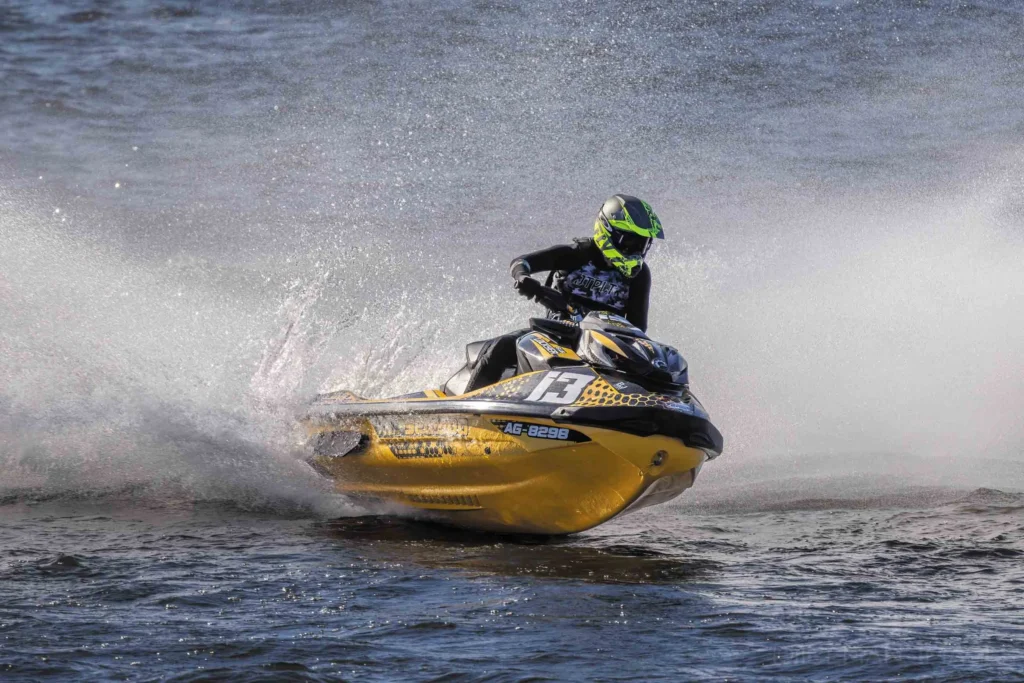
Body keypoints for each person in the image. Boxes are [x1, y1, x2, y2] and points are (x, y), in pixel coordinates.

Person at [463, 194, 664, 392]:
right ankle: (466, 407)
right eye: (631, 242)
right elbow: (521, 262)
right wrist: (524, 278)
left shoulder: (639, 275)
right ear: (608, 231)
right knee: (501, 346)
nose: (637, 250)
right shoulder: (576, 254)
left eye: (643, 244)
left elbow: (638, 328)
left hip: (604, 349)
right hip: (556, 336)